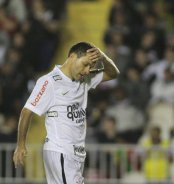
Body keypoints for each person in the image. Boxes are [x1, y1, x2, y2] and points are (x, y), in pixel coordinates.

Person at [13, 42, 120, 184]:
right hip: (61, 150)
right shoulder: (49, 82)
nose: (88, 70)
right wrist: (21, 145)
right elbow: (27, 111)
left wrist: (103, 57)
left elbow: (113, 73)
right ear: (72, 57)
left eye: (90, 66)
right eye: (86, 64)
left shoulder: (84, 79)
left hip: (76, 154)